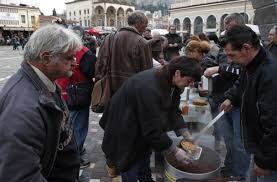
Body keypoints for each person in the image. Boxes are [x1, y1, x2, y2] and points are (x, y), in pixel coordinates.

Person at [0, 24, 82, 181]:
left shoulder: (45, 82)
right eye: (69, 57)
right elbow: (20, 175)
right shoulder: (23, 109)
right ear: (46, 58)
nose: (74, 62)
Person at [100, 56, 202, 182]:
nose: (190, 85)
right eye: (190, 80)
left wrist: (184, 132)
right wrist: (175, 151)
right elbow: (151, 129)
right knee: (129, 161)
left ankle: (145, 178)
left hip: (140, 123)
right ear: (177, 73)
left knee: (144, 153)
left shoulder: (172, 83)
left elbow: (173, 109)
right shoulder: (149, 88)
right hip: (124, 124)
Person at [96, 11, 153, 178]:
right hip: (132, 97)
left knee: (112, 126)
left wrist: (103, 83)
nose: (146, 28)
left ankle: (112, 160)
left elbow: (99, 65)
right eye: (145, 25)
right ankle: (126, 164)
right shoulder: (141, 42)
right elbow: (147, 75)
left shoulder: (110, 38)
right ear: (140, 24)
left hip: (111, 92)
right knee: (129, 131)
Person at [220, 25, 277, 182]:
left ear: (246, 48)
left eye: (232, 56)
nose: (230, 61)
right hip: (259, 147)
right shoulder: (251, 63)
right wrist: (231, 97)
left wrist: (265, 161)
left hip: (271, 156)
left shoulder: (270, 73)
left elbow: (273, 124)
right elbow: (242, 82)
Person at [56, 43, 96, 168]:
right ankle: (75, 156)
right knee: (78, 125)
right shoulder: (83, 52)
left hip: (61, 91)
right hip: (77, 93)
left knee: (67, 124)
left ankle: (73, 151)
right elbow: (93, 71)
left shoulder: (57, 48)